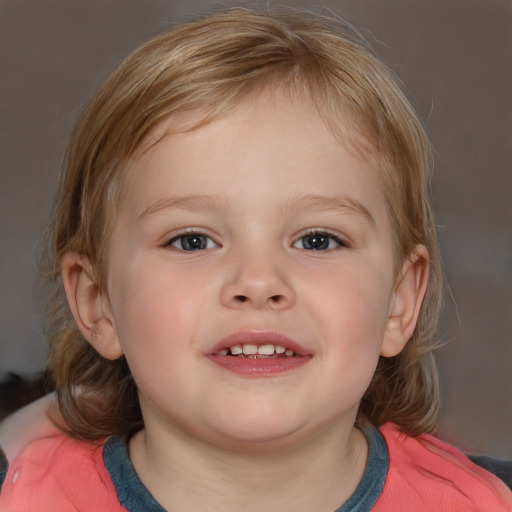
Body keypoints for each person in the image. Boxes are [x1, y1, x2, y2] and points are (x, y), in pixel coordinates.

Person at [0, 7, 510, 511]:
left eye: (317, 240)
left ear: (399, 301)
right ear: (97, 302)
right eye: (192, 241)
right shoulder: (28, 497)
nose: (259, 281)